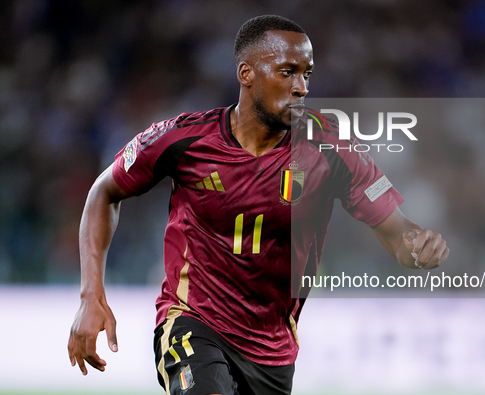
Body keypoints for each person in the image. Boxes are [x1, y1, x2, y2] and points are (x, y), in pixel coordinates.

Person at [68, 14, 449, 395]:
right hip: (193, 321)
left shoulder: (332, 150)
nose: (301, 87)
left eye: (307, 74)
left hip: (273, 351)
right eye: (287, 72)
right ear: (246, 73)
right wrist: (91, 296)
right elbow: (104, 192)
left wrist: (419, 247)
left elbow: (399, 235)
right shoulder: (183, 139)